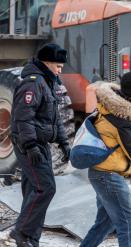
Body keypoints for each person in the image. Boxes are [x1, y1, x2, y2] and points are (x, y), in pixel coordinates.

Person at [80, 72, 131, 247]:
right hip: (109, 176)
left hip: (101, 173)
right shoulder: (122, 119)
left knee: (105, 223)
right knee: (129, 224)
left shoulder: (114, 106)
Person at [10, 43, 71, 247]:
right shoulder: (33, 83)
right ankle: (22, 232)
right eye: (58, 66)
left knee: (33, 189)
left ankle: (29, 239)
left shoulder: (47, 82)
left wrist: (64, 144)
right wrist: (30, 146)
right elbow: (22, 118)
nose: (60, 70)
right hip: (29, 144)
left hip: (39, 142)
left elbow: (54, 120)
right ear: (46, 62)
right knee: (45, 187)